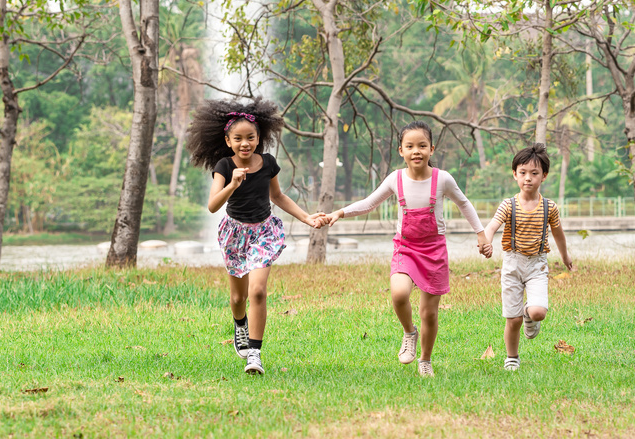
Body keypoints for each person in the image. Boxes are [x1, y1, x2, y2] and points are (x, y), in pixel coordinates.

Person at [325, 121, 490, 377]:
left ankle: (425, 360)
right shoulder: (396, 179)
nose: (416, 151)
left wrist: (481, 234)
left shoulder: (442, 179)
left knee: (429, 314)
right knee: (399, 294)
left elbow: (464, 204)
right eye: (410, 146)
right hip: (406, 247)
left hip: (434, 251)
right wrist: (340, 212)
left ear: (431, 149)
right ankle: (408, 332)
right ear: (401, 151)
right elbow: (369, 203)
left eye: (422, 145)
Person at [187, 97, 325, 376]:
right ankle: (240, 324)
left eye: (250, 137)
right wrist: (233, 184)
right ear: (228, 141)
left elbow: (278, 196)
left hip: (264, 231)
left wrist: (307, 218)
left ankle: (255, 353)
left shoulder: (268, 163)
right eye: (238, 138)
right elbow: (213, 205)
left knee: (258, 291)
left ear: (259, 138)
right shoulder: (224, 166)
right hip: (234, 234)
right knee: (238, 299)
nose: (245, 143)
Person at [480, 144, 573, 371]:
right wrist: (486, 240)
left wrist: (565, 256)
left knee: (538, 312)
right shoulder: (508, 205)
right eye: (522, 173)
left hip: (537, 265)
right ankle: (512, 357)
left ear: (544, 176)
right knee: (513, 320)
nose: (528, 178)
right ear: (514, 174)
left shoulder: (549, 207)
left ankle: (529, 313)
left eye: (534, 173)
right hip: (512, 264)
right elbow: (492, 225)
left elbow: (559, 234)